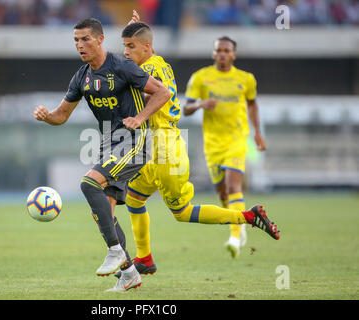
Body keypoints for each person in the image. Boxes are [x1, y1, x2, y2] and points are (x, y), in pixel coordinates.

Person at [115, 12, 279, 278]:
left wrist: (138, 117)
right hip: (150, 148)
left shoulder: (149, 69)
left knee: (182, 212)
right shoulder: (156, 63)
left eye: (131, 46)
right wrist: (135, 28)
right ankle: (144, 257)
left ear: (147, 47)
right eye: (124, 47)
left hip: (165, 149)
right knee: (134, 199)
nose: (125, 52)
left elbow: (160, 94)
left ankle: (248, 217)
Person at [33, 18, 171, 291]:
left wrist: (139, 118)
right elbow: (61, 115)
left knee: (88, 182)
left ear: (100, 39)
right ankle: (129, 272)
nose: (80, 45)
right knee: (103, 214)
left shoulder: (122, 66)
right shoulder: (81, 76)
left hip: (134, 141)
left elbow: (162, 93)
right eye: (76, 40)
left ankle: (114, 250)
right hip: (109, 145)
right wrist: (47, 116)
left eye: (85, 39)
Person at [183, 36, 267, 258]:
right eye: (218, 50)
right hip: (212, 143)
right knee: (222, 192)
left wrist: (257, 132)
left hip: (237, 140)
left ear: (233, 55)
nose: (222, 53)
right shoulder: (201, 77)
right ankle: (237, 221)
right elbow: (186, 108)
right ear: (213, 54)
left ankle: (235, 237)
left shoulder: (245, 79)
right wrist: (201, 104)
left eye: (226, 50)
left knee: (233, 185)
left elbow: (252, 105)